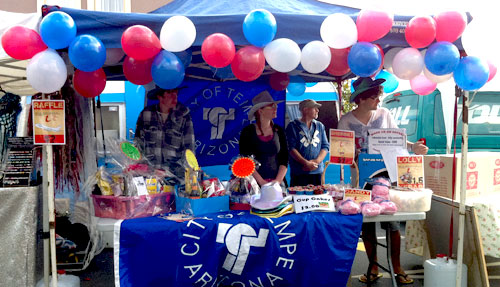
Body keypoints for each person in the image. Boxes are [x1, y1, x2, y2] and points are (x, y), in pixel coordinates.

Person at [338, 77, 429, 285]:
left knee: (392, 221)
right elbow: (340, 148)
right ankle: (373, 266)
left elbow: (396, 139)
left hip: (386, 177)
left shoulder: (385, 114)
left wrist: (413, 146)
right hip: (360, 178)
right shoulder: (345, 120)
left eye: (378, 96)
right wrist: (348, 157)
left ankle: (397, 267)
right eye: (373, 97)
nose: (378, 101)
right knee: (367, 223)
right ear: (360, 99)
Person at [134, 86, 195, 181]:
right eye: (170, 92)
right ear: (159, 96)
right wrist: (136, 169)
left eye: (176, 92)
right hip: (149, 179)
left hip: (174, 178)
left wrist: (188, 177)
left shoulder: (183, 115)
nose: (174, 96)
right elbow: (138, 147)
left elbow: (189, 151)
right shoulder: (146, 114)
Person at [239, 90, 288, 187]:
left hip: (278, 183)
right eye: (271, 106)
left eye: (275, 106)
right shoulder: (248, 132)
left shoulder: (279, 130)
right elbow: (245, 160)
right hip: (254, 184)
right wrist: (261, 182)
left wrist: (277, 181)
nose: (276, 108)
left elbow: (284, 158)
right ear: (260, 111)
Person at [285, 99, 329, 186]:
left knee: (316, 197)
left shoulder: (319, 126)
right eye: (314, 108)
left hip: (317, 172)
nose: (317, 110)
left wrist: (316, 161)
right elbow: (291, 148)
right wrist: (305, 163)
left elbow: (325, 146)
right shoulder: (293, 126)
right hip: (299, 172)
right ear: (305, 109)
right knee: (298, 197)